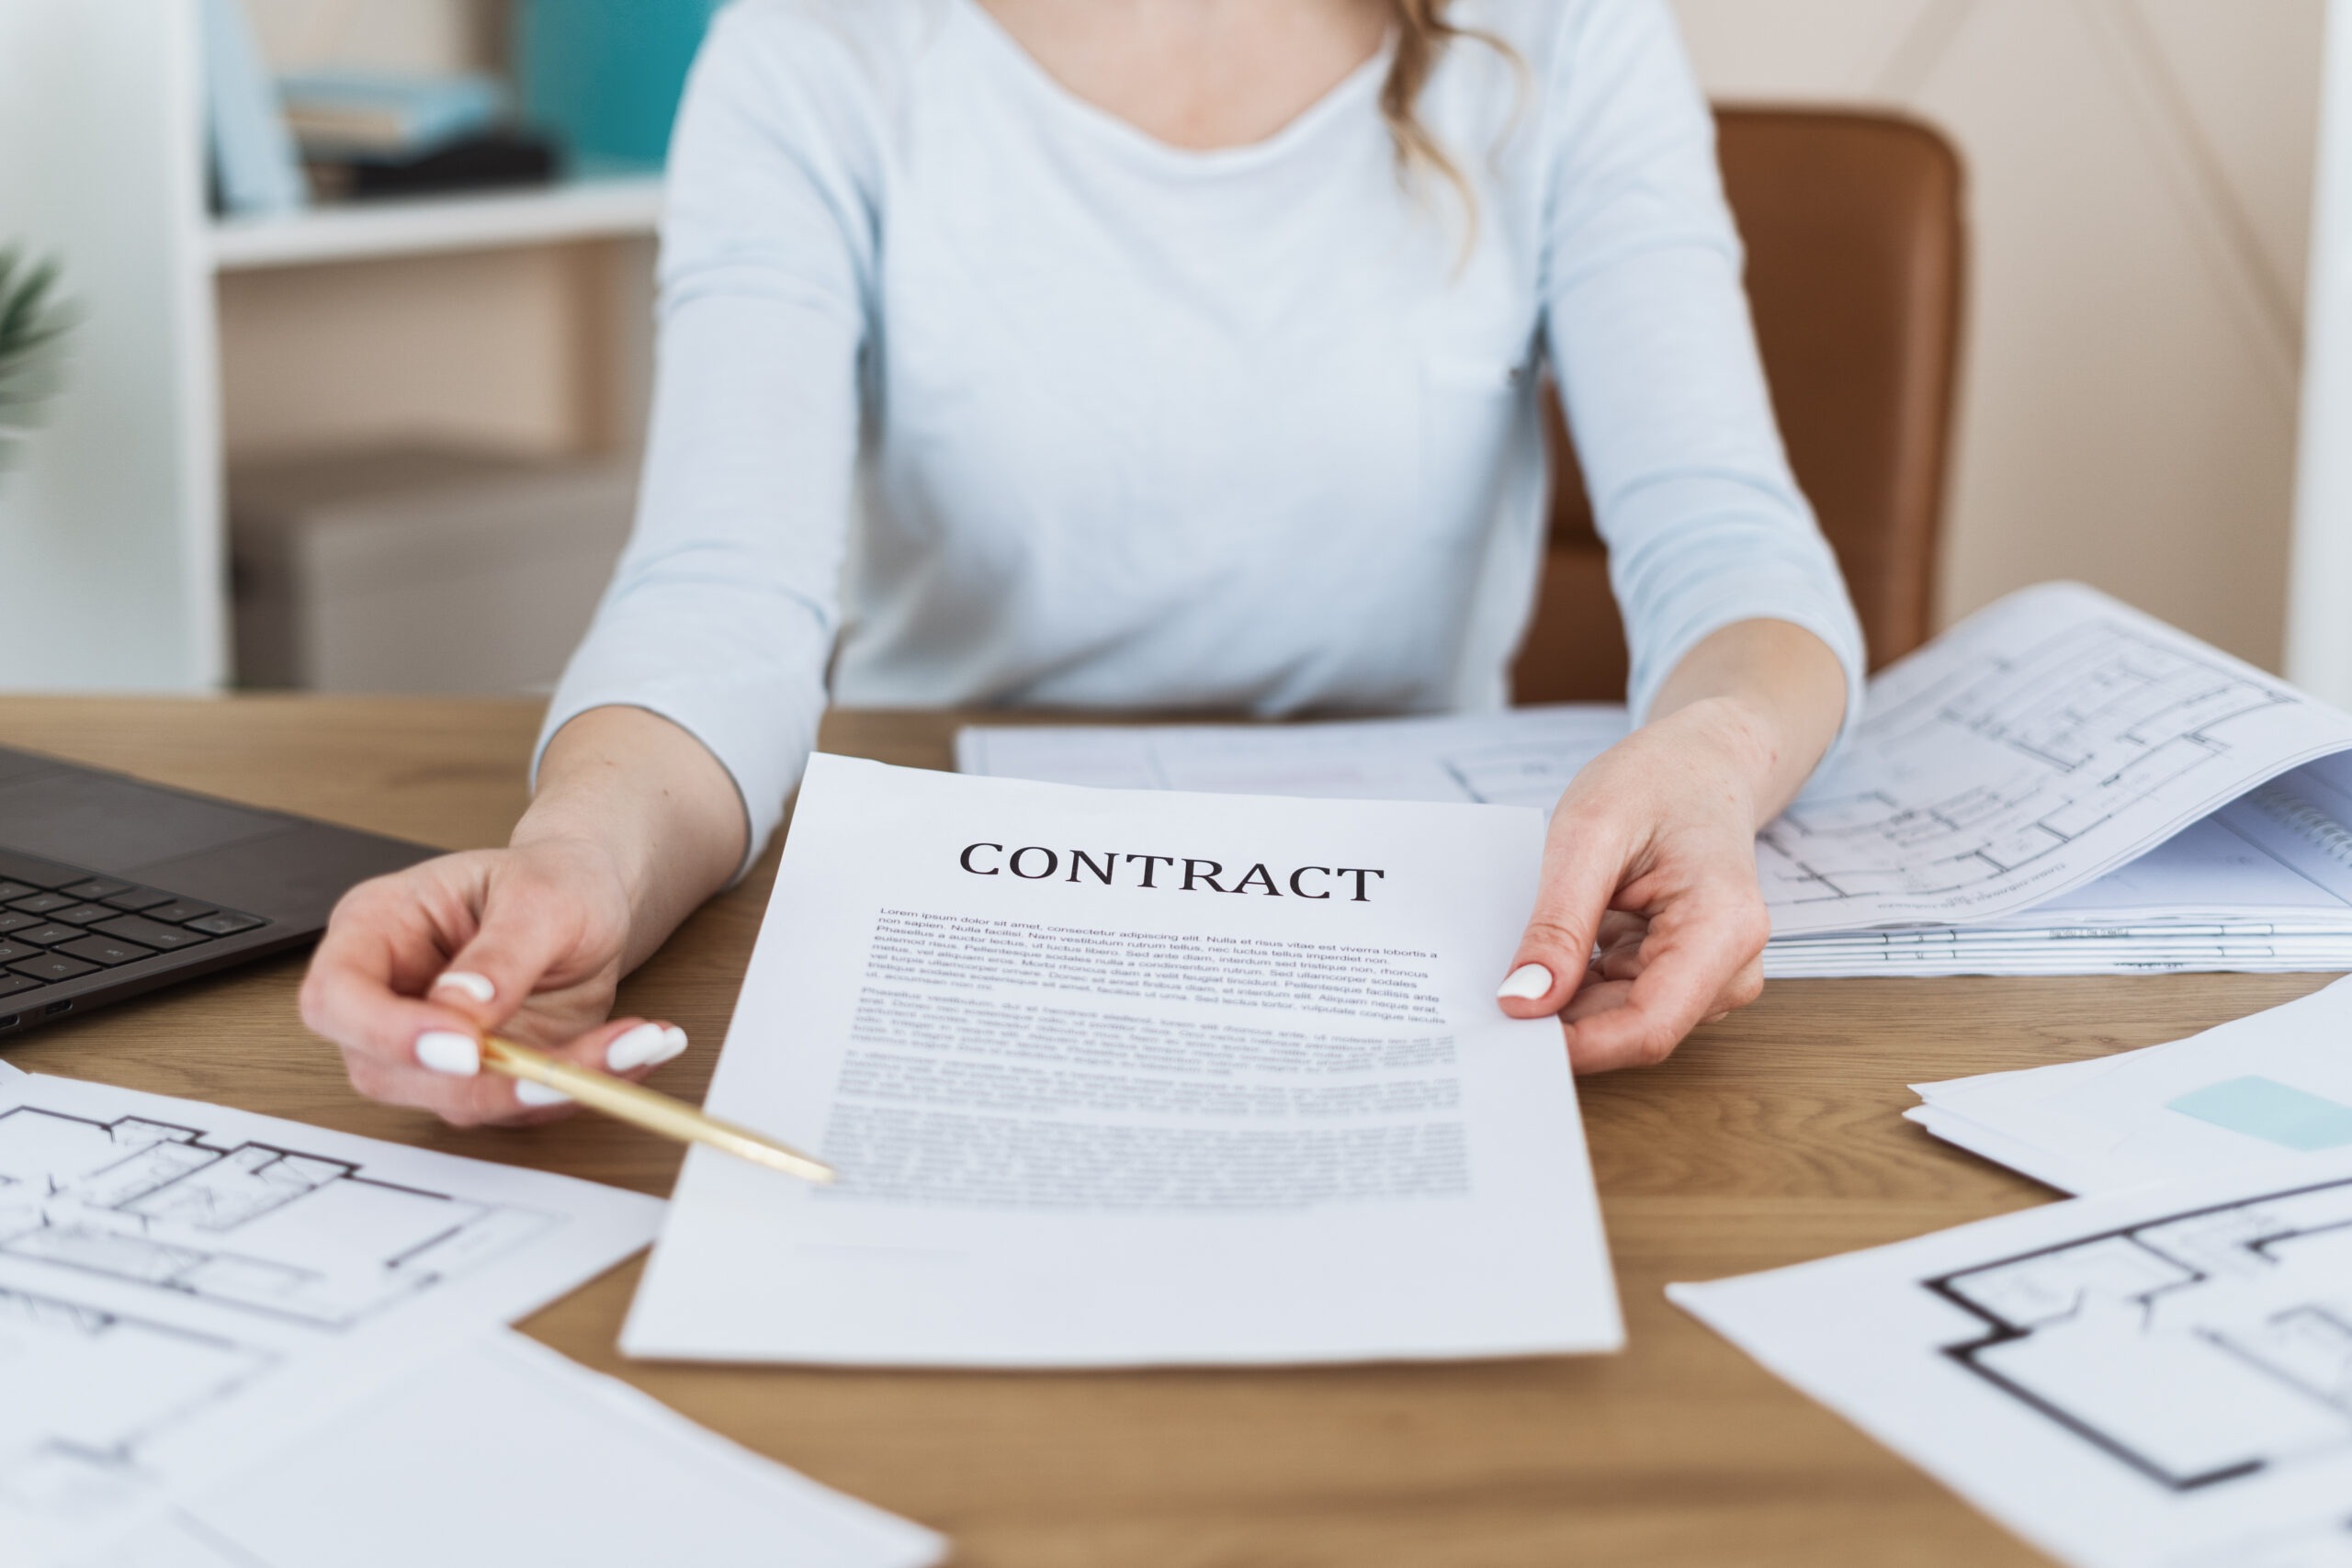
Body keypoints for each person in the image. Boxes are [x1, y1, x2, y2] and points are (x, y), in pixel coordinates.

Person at [300, 0, 1863, 1126]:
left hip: (1420, 933)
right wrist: (583, 860)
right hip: (945, 909)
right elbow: (722, 584)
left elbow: (1728, 537)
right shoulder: (815, 49)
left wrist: (1713, 758)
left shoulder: (1564, 35)